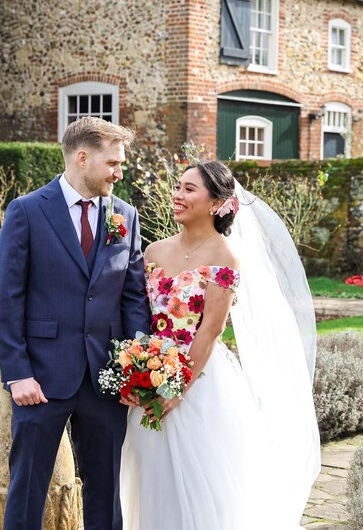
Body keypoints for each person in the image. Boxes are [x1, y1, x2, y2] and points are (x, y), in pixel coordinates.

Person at [119, 160, 321, 529]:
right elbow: (136, 318)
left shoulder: (225, 256)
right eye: (178, 187)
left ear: (217, 203)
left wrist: (176, 391)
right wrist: (136, 375)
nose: (177, 196)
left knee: (204, 486)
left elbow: (210, 331)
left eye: (189, 189)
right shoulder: (153, 252)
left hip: (200, 384)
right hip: (150, 378)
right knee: (152, 482)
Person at [0, 117, 151, 530]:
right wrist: (17, 374)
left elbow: (134, 297)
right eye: (113, 163)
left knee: (106, 490)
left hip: (106, 380)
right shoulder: (27, 211)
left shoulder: (126, 216)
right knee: (27, 488)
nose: (120, 172)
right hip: (41, 381)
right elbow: (8, 298)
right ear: (82, 158)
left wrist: (134, 371)